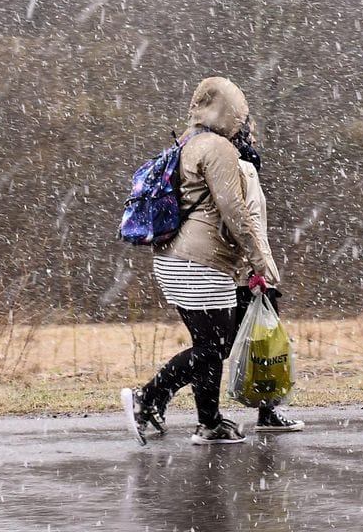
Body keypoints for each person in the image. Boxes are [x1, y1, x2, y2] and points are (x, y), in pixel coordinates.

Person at [121, 76, 276, 445]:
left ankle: (200, 418)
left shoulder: (185, 143)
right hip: (200, 261)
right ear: (231, 111)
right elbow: (234, 212)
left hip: (173, 258)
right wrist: (258, 262)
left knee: (209, 345)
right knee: (215, 346)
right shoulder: (218, 148)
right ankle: (152, 400)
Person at [230, 117, 304, 432]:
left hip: (249, 271)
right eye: (250, 132)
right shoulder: (242, 168)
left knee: (254, 344)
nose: (255, 138)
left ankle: (266, 411)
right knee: (262, 344)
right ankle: (154, 396)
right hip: (249, 275)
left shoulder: (245, 167)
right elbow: (245, 228)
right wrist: (257, 270)